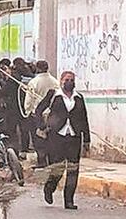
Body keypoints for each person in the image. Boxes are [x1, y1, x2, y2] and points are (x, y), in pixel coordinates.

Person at [33, 71, 90, 210]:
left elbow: (84, 118)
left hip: (74, 136)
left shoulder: (79, 98)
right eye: (67, 80)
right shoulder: (53, 95)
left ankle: (69, 200)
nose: (69, 82)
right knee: (57, 167)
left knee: (73, 168)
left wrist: (86, 140)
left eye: (72, 80)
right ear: (61, 81)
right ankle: (49, 187)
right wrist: (42, 125)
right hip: (56, 136)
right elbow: (38, 111)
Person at [25, 60, 60, 166]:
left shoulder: (34, 82)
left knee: (38, 139)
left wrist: (28, 111)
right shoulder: (55, 82)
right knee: (51, 139)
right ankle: (51, 161)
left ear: (37, 68)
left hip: (37, 115)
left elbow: (29, 100)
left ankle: (42, 161)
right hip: (52, 115)